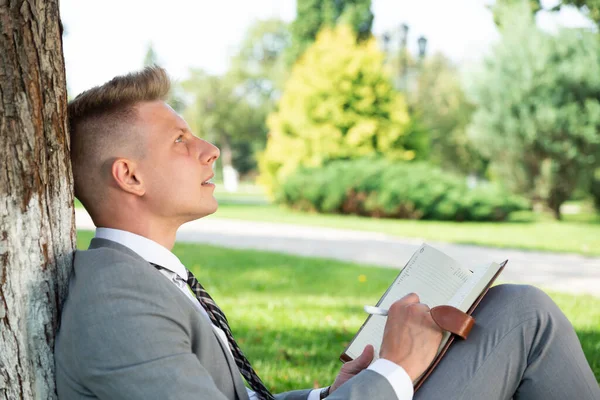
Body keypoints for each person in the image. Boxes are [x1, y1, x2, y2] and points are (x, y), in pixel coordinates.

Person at [54, 67, 600, 400]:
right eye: (179, 139)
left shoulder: (141, 276)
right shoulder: (115, 295)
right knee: (526, 319)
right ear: (129, 175)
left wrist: (330, 394)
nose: (209, 150)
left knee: (507, 310)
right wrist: (392, 369)